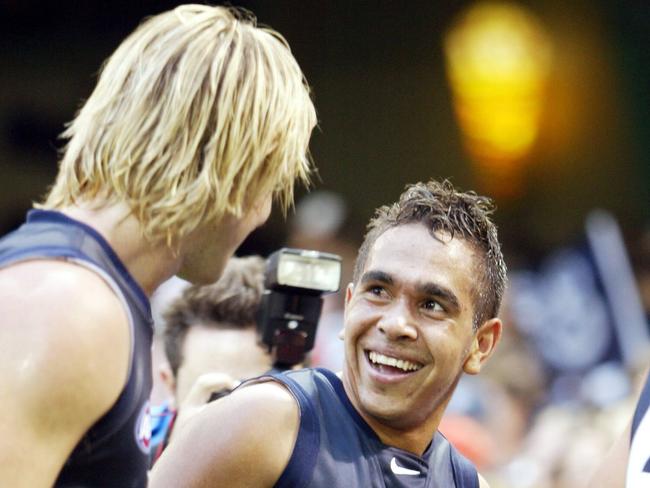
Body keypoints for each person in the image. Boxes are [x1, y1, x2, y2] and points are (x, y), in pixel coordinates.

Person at [0, 5, 316, 487]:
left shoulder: (87, 293)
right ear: (234, 172)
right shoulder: (68, 305)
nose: (264, 213)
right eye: (271, 185)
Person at [150, 179, 507, 488]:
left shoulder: (466, 482)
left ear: (482, 345)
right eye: (379, 291)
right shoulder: (265, 421)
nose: (394, 324)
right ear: (349, 304)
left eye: (431, 305)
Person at [150, 256, 272, 463]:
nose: (229, 418)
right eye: (214, 396)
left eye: (251, 393)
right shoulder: (122, 453)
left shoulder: (328, 462)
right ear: (170, 385)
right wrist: (177, 463)